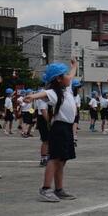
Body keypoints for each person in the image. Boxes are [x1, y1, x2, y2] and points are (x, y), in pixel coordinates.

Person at [25, 59, 78, 202]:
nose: (69, 76)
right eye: (65, 74)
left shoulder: (67, 89)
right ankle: (46, 188)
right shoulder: (55, 93)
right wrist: (31, 97)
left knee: (62, 160)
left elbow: (72, 76)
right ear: (59, 79)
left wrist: (75, 66)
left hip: (67, 128)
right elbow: (43, 94)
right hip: (59, 128)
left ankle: (59, 189)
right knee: (54, 159)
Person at [36, 84, 50, 167]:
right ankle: (43, 159)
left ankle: (47, 157)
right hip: (43, 118)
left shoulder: (45, 92)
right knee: (46, 140)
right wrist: (49, 122)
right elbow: (43, 109)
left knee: (48, 140)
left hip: (45, 117)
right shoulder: (43, 93)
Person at [72, 79, 82, 146]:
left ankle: (73, 137)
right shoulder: (76, 96)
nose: (80, 89)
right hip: (74, 110)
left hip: (72, 110)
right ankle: (73, 138)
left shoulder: (72, 94)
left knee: (73, 125)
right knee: (74, 124)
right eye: (79, 87)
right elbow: (77, 105)